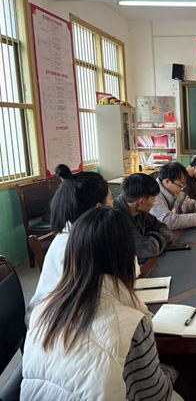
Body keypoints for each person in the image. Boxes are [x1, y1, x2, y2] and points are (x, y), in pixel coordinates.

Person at [22, 207, 183, 401]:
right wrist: (171, 370)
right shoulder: (131, 325)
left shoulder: (42, 309)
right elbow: (156, 396)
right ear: (126, 256)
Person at [25, 164, 114, 326]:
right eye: (110, 199)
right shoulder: (71, 246)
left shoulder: (81, 232)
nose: (113, 204)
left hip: (70, 312)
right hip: (51, 322)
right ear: (98, 208)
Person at [114, 173, 173, 263]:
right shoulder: (116, 219)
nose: (154, 201)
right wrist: (150, 239)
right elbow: (149, 249)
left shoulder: (139, 211)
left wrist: (148, 238)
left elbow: (167, 231)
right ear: (141, 201)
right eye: (153, 198)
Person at [150, 161, 196, 230]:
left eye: (183, 185)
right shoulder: (153, 197)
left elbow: (193, 204)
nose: (182, 189)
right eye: (179, 185)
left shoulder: (176, 193)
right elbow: (168, 221)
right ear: (167, 181)